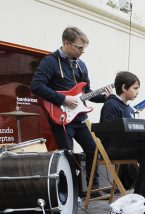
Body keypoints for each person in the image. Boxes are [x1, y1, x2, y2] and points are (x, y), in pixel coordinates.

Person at [31, 26, 108, 195]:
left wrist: (105, 97)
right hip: (62, 118)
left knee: (93, 150)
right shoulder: (50, 61)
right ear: (66, 43)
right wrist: (63, 99)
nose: (82, 51)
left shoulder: (81, 65)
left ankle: (92, 187)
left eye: (84, 48)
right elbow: (36, 86)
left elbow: (86, 93)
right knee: (68, 156)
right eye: (79, 47)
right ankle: (70, 192)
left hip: (79, 118)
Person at [99, 71, 145, 200]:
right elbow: (108, 133)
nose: (137, 92)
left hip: (125, 145)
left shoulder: (129, 109)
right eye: (135, 88)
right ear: (124, 88)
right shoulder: (110, 105)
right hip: (112, 148)